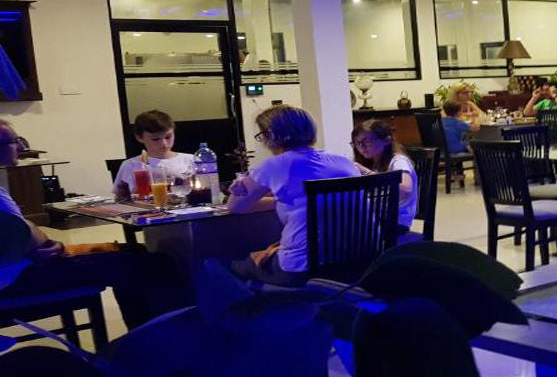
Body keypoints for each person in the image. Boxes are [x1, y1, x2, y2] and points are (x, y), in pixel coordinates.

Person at [0, 120, 191, 330]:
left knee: (136, 253)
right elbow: (25, 234)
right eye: (14, 141)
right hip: (18, 278)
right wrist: (38, 239)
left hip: (19, 268)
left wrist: (33, 237)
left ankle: (143, 332)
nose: (21, 147)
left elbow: (20, 231)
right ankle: (169, 335)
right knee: (153, 263)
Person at [227, 105, 361, 286]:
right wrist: (280, 200)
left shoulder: (275, 165)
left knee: (233, 265)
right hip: (358, 260)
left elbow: (236, 207)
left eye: (262, 136)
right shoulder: (343, 161)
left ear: (270, 135)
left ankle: (262, 303)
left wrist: (239, 185)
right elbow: (309, 200)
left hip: (304, 267)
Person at [352, 119, 419, 237]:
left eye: (367, 142)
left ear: (387, 140)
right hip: (376, 218)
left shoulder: (398, 161)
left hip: (394, 222)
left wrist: (366, 172)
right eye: (357, 143)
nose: (361, 147)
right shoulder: (373, 161)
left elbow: (405, 189)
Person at [112, 110, 196, 201]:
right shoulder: (131, 165)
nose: (164, 143)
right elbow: (121, 198)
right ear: (139, 138)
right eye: (155, 139)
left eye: (168, 137)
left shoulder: (191, 160)